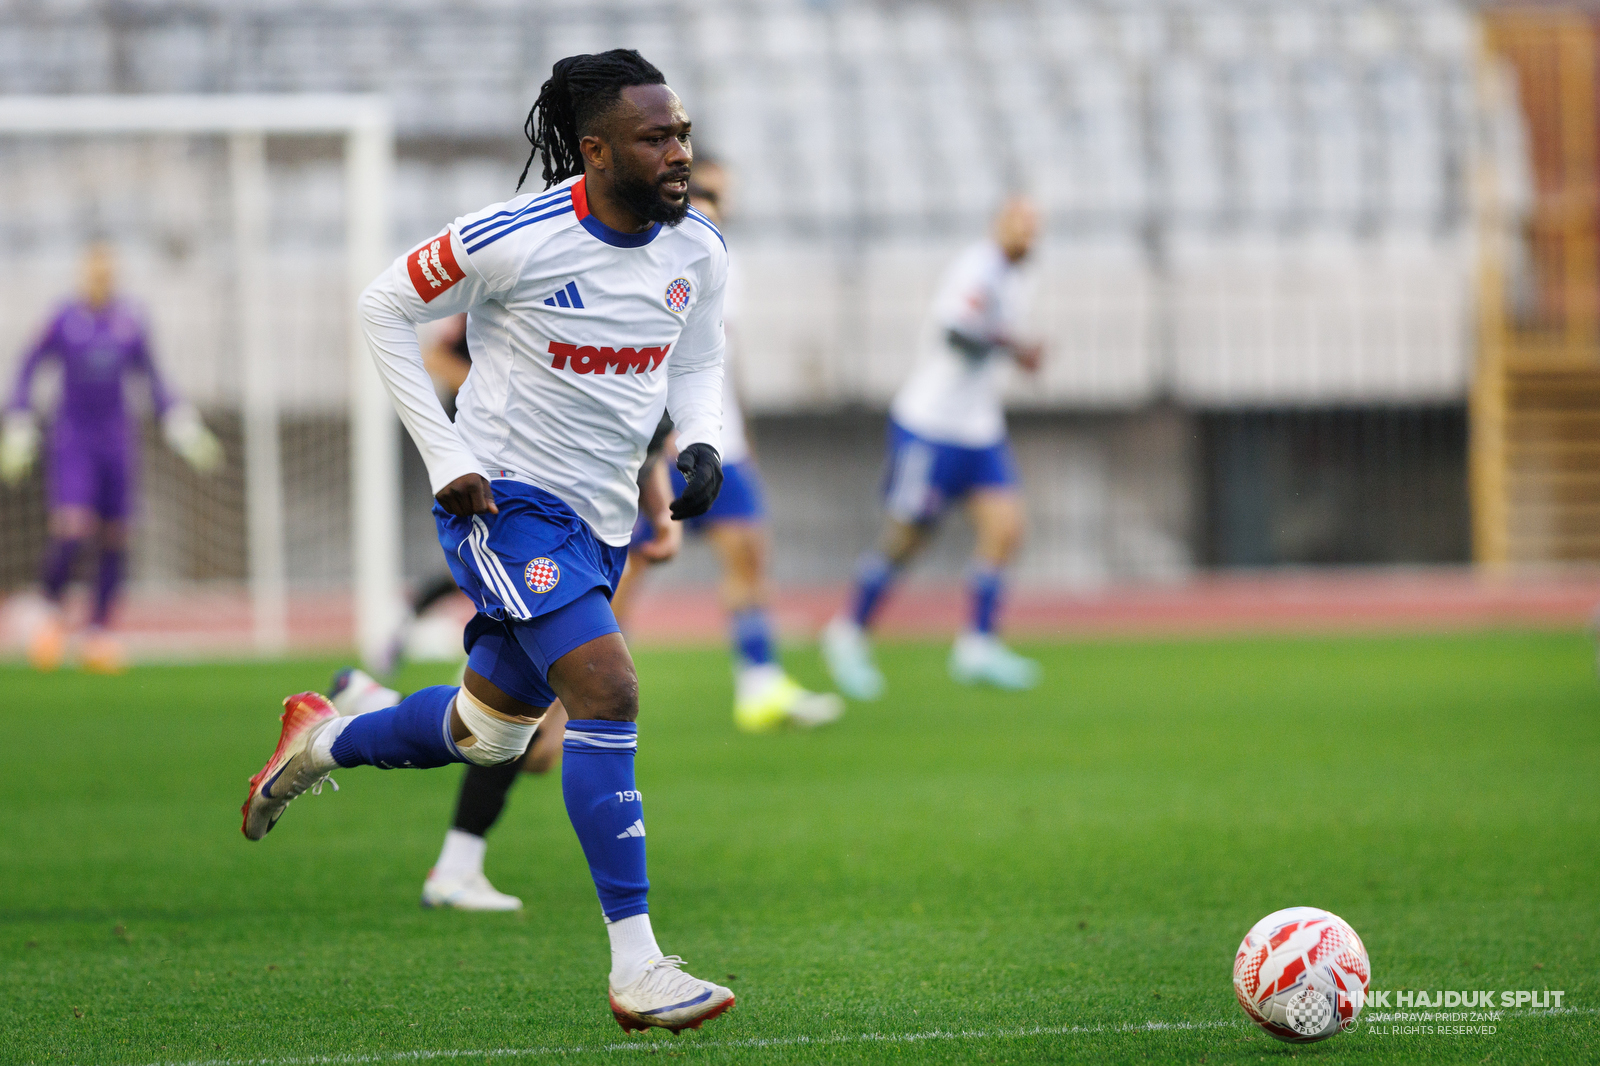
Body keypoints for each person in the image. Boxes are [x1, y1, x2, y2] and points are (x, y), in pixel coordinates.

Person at [239, 50, 736, 1034]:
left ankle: (322, 739)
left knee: (488, 734)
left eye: (681, 133)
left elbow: (699, 357)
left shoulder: (699, 250)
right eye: (655, 138)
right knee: (608, 688)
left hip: (599, 523)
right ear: (596, 151)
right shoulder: (515, 237)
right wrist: (444, 455)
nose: (679, 152)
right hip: (504, 504)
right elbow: (383, 304)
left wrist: (702, 439)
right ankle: (638, 965)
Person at [329, 415, 682, 914]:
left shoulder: (640, 383)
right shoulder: (545, 385)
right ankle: (456, 867)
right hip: (539, 540)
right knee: (523, 733)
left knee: (526, 747)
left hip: (587, 553)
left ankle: (380, 708)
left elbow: (650, 440)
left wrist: (662, 514)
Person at [620, 159, 843, 734]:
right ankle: (576, 678)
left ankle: (759, 684)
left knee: (748, 554)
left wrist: (742, 431)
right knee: (627, 569)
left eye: (722, 195)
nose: (717, 204)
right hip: (662, 445)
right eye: (707, 191)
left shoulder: (720, 259)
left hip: (724, 441)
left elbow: (721, 358)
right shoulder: (654, 259)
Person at [822, 198, 1045, 699]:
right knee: (908, 539)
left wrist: (1015, 350)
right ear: (999, 225)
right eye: (1020, 225)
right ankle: (848, 632)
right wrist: (1015, 349)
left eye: (1034, 228)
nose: (1028, 236)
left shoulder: (1017, 277)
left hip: (979, 427)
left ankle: (978, 645)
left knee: (1006, 528)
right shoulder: (977, 269)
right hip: (931, 425)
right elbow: (956, 334)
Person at [1, 243, 221, 672]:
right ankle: (46, 608)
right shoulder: (63, 319)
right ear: (83, 277)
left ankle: (99, 630)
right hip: (74, 439)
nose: (101, 281)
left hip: (117, 440)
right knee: (73, 527)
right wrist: (18, 418)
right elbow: (28, 366)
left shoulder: (130, 321)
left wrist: (180, 420)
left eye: (107, 274)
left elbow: (153, 377)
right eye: (94, 274)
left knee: (117, 534)